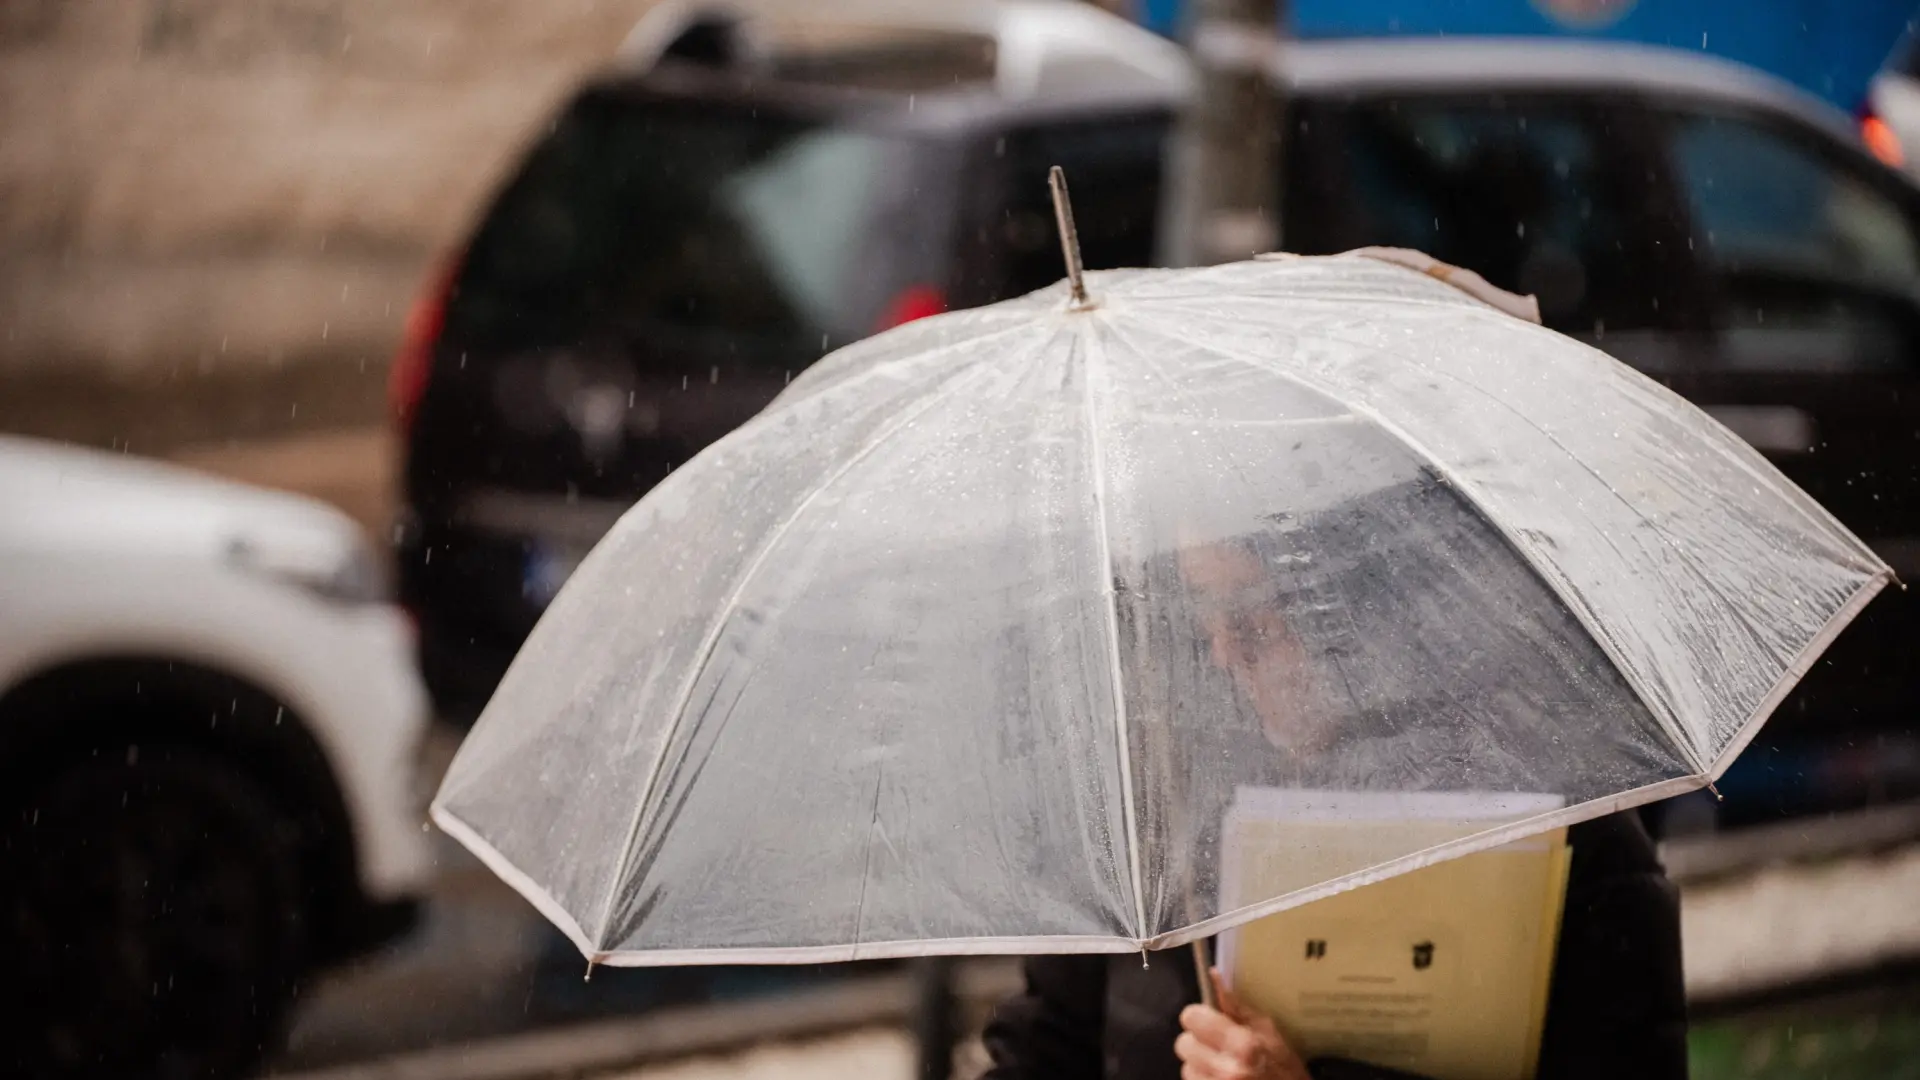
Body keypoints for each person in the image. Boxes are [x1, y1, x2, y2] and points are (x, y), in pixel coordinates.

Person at [983, 493, 1690, 1080]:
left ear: (1357, 612)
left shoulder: (1568, 839)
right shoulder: (1163, 816)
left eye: (1255, 612)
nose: (1225, 649)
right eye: (1204, 608)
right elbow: (1048, 1048)